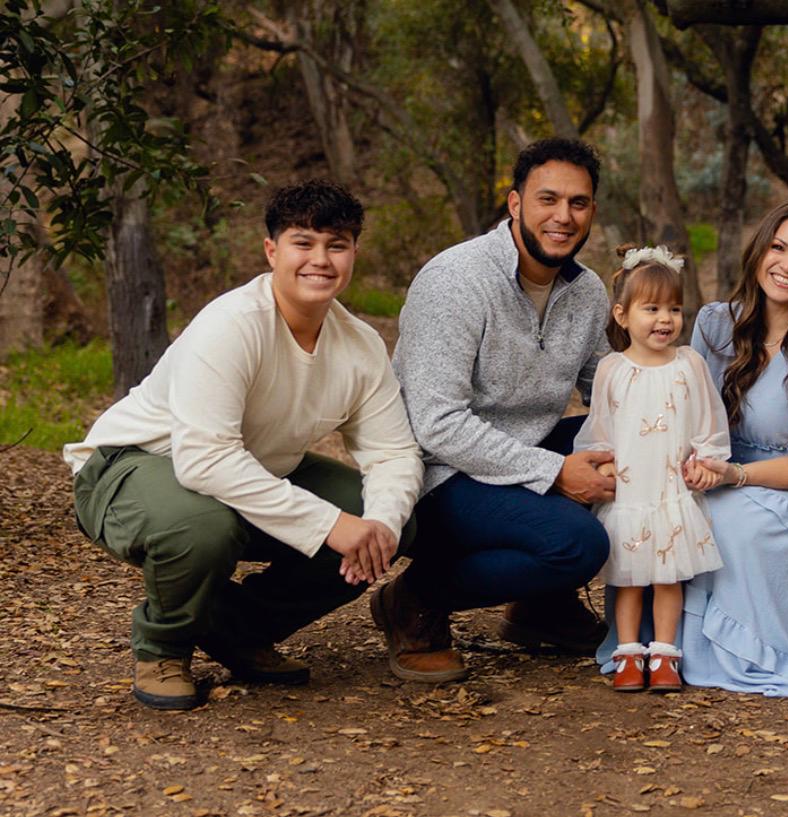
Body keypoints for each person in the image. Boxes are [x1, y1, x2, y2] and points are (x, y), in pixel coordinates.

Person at [64, 180, 425, 710]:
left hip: (249, 469)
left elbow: (393, 453)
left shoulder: (361, 344)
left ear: (353, 253)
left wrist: (382, 525)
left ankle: (235, 628)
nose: (320, 260)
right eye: (303, 243)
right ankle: (163, 646)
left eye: (337, 244)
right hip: (131, 465)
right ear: (272, 251)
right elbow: (205, 459)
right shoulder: (231, 325)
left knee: (390, 524)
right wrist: (328, 525)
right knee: (204, 526)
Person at [596, 200, 788, 696]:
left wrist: (734, 476)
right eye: (778, 248)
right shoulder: (716, 324)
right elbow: (683, 414)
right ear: (759, 252)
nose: (787, 265)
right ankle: (648, 648)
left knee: (733, 526)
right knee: (663, 518)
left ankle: (732, 649)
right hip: (713, 471)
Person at [376, 137, 614, 683]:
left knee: (626, 450)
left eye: (578, 203)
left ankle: (540, 607)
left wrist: (670, 413)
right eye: (547, 200)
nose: (563, 216)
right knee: (578, 545)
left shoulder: (587, 290)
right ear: (514, 204)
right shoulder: (456, 280)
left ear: (592, 212)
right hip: (440, 474)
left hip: (521, 451)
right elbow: (435, 425)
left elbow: (607, 387)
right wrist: (555, 473)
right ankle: (414, 599)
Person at [574, 246, 730, 693]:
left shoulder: (690, 365)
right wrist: (600, 461)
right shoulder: (611, 369)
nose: (665, 319)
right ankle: (627, 654)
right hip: (630, 493)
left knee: (667, 577)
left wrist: (705, 460)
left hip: (671, 491)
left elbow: (708, 421)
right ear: (622, 315)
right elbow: (599, 427)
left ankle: (664, 654)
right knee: (627, 581)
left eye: (674, 308)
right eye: (652, 309)